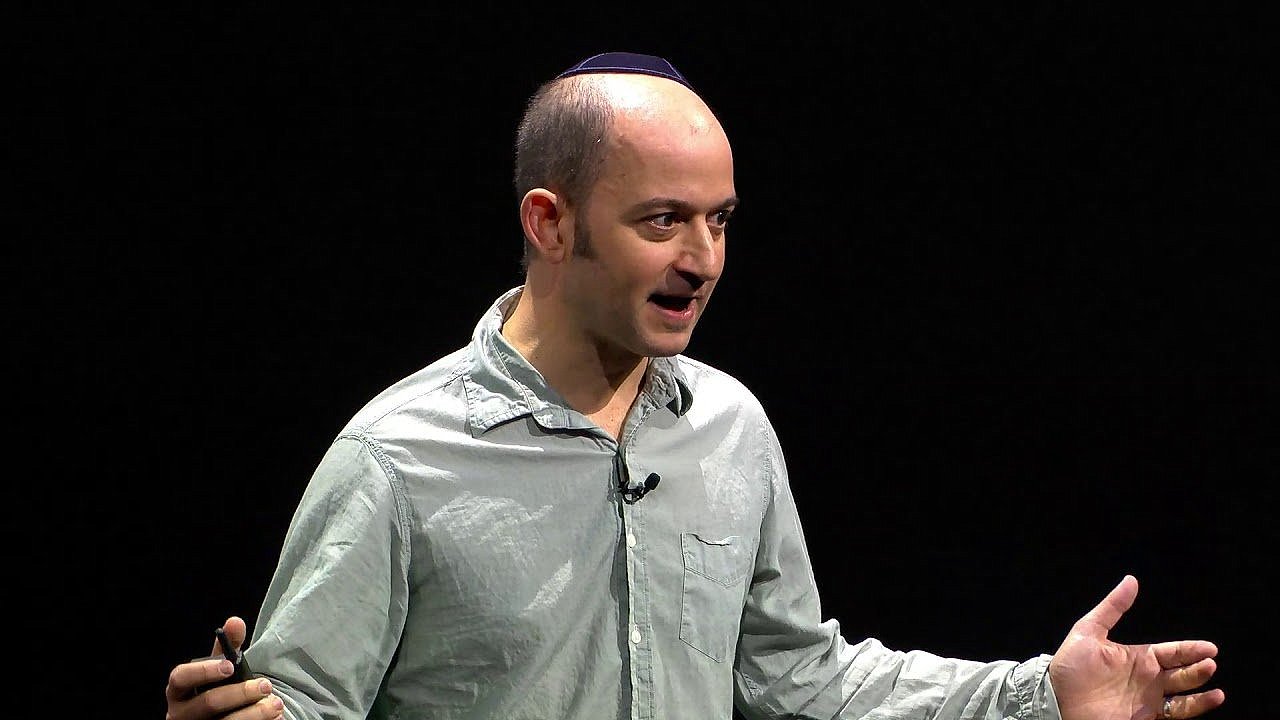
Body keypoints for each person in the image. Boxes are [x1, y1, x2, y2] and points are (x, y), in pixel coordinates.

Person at [163, 51, 1226, 720]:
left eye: (718, 221)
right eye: (662, 221)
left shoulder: (729, 426)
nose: (702, 260)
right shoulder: (395, 457)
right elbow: (296, 706)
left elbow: (797, 680)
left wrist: (1038, 696)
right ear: (550, 222)